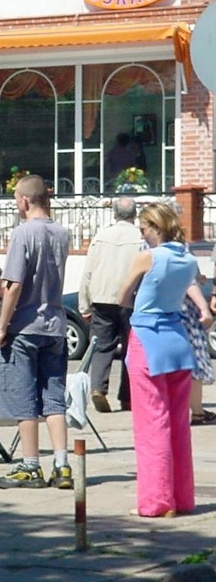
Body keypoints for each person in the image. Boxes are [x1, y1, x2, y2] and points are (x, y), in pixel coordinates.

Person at [118, 202, 198, 518]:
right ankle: (182, 497)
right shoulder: (189, 260)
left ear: (154, 228)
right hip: (178, 340)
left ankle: (157, 500)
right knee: (179, 424)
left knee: (152, 423)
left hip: (147, 339)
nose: (142, 235)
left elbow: (122, 294)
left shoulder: (147, 257)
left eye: (143, 229)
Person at [0, 174, 72, 490]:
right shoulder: (62, 233)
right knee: (53, 398)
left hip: (25, 326)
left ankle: (30, 465)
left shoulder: (23, 233)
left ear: (25, 200)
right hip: (55, 324)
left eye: (16, 198)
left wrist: (2, 326)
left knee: (23, 396)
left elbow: (13, 285)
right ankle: (63, 464)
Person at [78, 197, 142, 413]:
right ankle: (127, 397)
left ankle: (98, 388)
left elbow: (88, 272)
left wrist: (84, 304)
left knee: (102, 346)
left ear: (114, 214)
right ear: (135, 214)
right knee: (131, 348)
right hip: (131, 299)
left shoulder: (101, 237)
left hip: (101, 297)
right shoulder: (140, 238)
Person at [179, 279, 215, 425]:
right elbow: (189, 283)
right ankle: (197, 411)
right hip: (186, 314)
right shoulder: (180, 259)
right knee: (195, 362)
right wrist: (204, 308)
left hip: (166, 316)